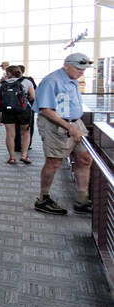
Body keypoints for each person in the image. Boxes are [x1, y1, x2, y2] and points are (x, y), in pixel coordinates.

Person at [34, 52, 95, 215]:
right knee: (54, 161)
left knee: (84, 159)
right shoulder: (51, 81)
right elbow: (45, 110)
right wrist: (69, 127)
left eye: (84, 69)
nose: (82, 71)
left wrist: (74, 126)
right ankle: (43, 198)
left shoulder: (73, 80)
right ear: (66, 65)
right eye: (78, 68)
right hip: (56, 125)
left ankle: (82, 200)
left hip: (75, 123)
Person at [0, 65, 34, 164]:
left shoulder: (2, 84)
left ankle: (12, 157)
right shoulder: (26, 82)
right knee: (25, 133)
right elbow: (33, 97)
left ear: (8, 73)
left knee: (10, 134)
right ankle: (24, 155)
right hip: (23, 110)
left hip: (7, 111)